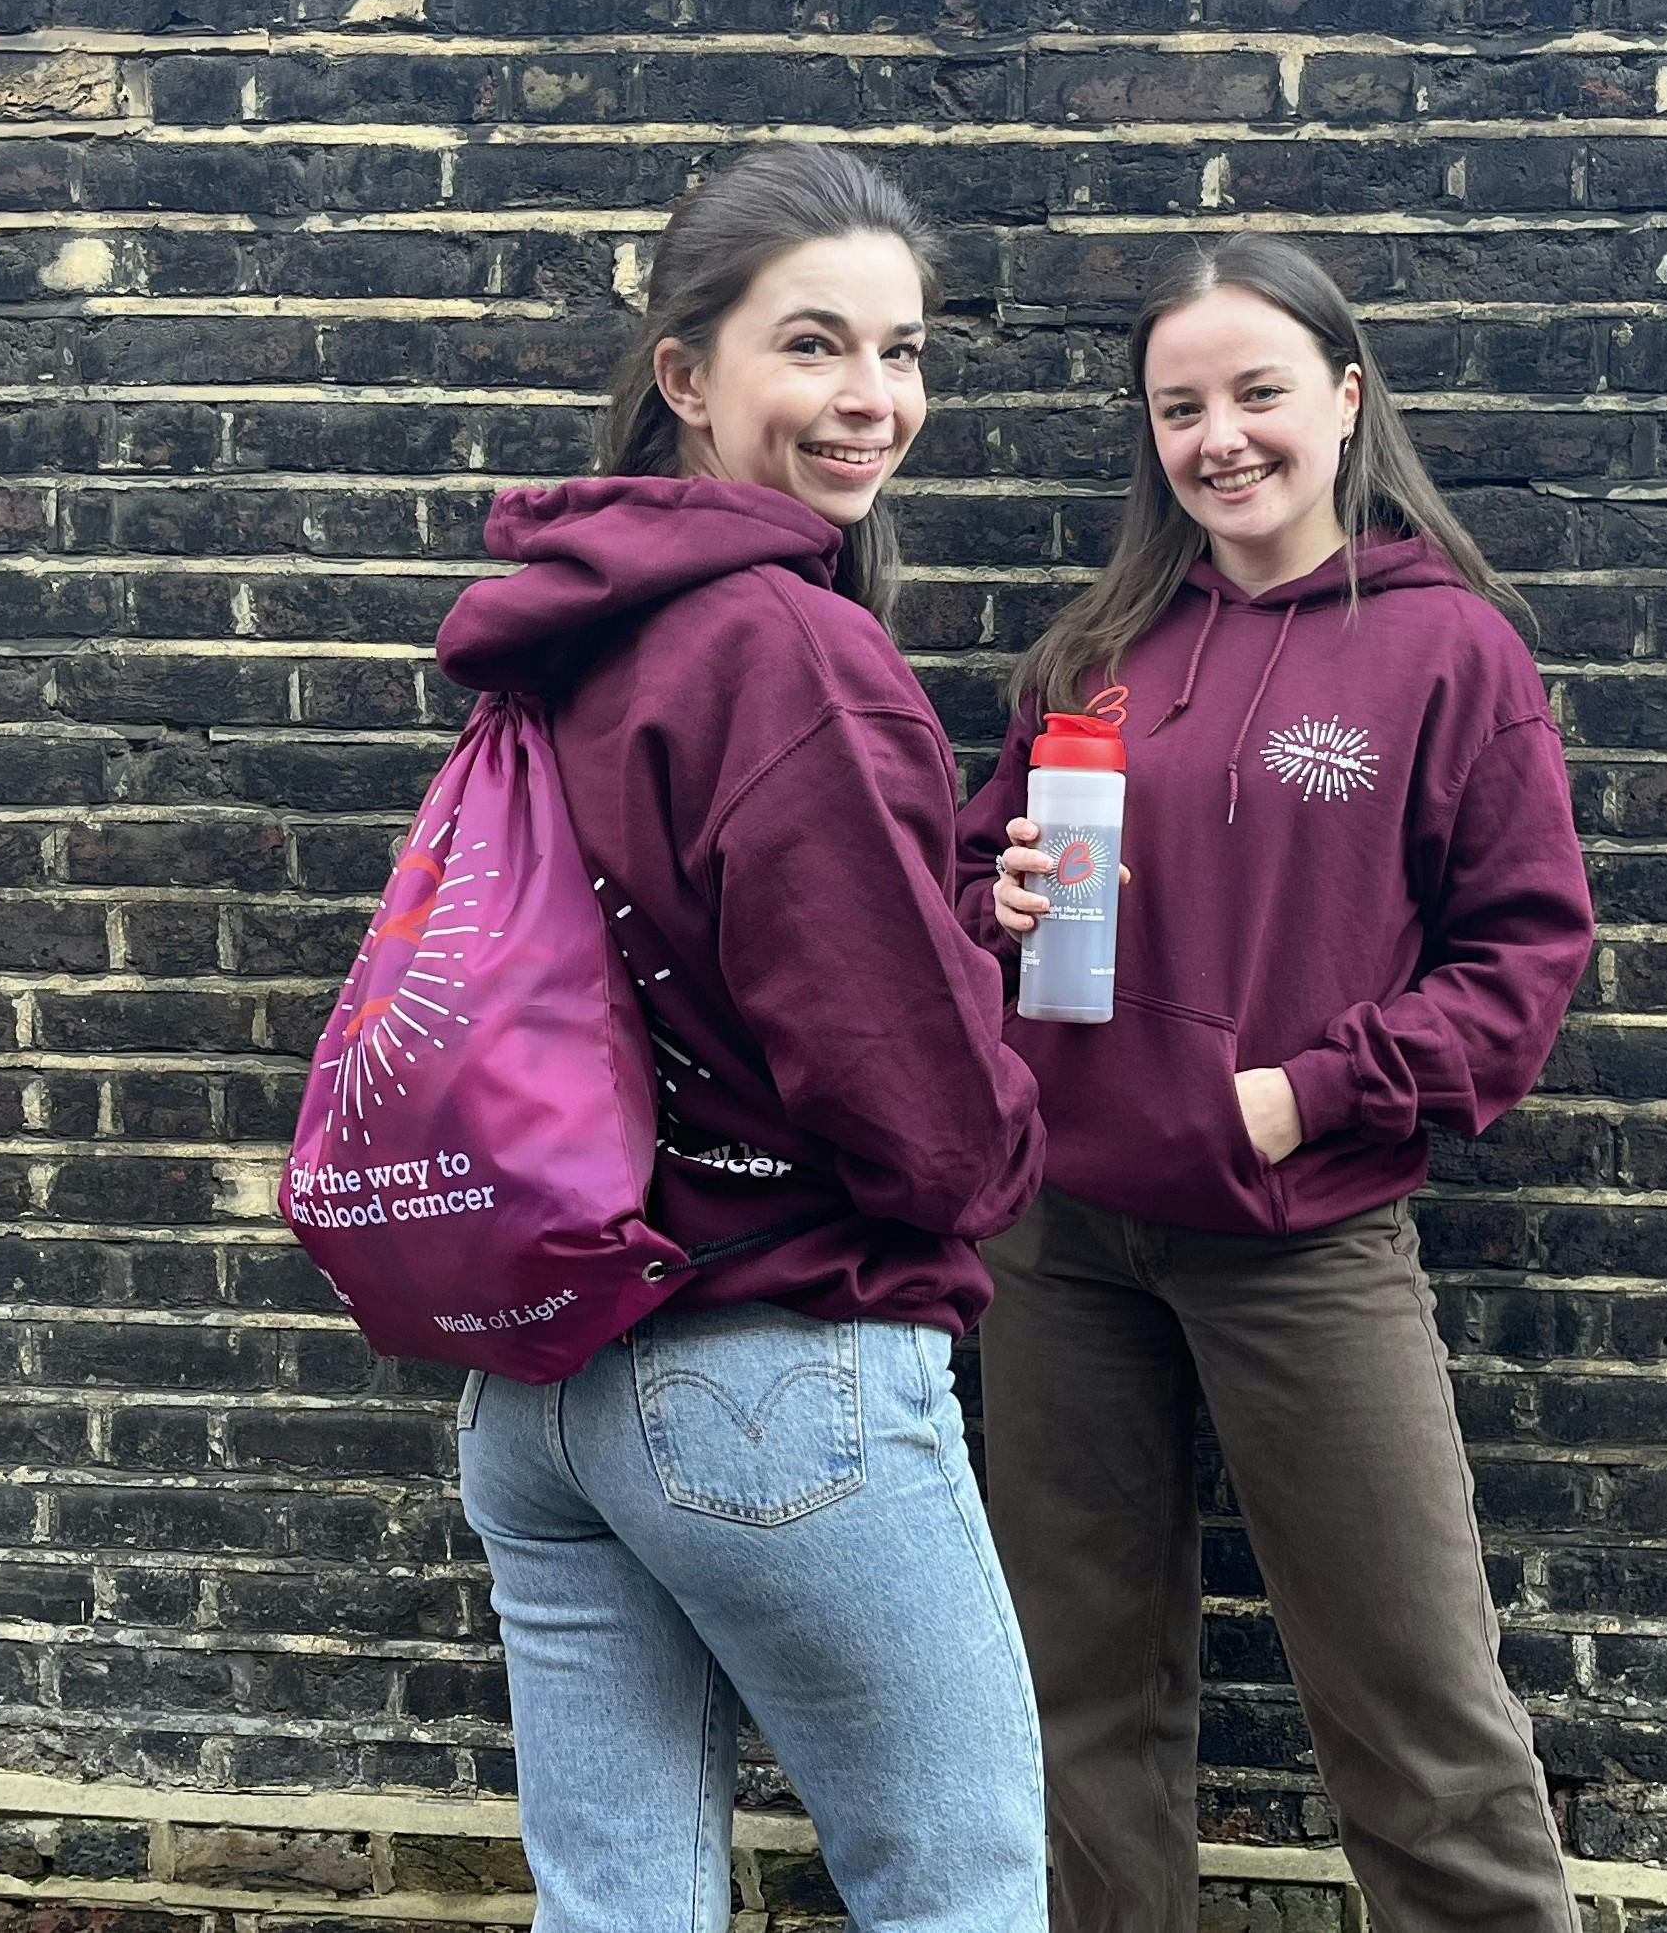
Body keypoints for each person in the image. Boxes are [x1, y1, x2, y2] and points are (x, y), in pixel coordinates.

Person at [436, 144, 1048, 1933]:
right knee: (958, 1896)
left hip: (545, 1378)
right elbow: (932, 1130)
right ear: (685, 375)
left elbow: (654, 939)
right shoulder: (793, 651)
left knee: (617, 1907)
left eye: (904, 350)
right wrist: (991, 1085)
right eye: (813, 347)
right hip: (775, 1375)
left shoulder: (567, 634)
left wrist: (928, 902)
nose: (872, 402)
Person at [956, 234, 1593, 1933]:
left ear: (1343, 398)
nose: (1219, 436)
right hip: (1062, 1244)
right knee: (1066, 1703)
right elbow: (952, 902)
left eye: (1255, 392)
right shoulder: (1092, 651)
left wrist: (1303, 1096)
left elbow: (1521, 963)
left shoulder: (1447, 655)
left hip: (1300, 1234)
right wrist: (992, 902)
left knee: (1413, 1706)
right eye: (1180, 407)